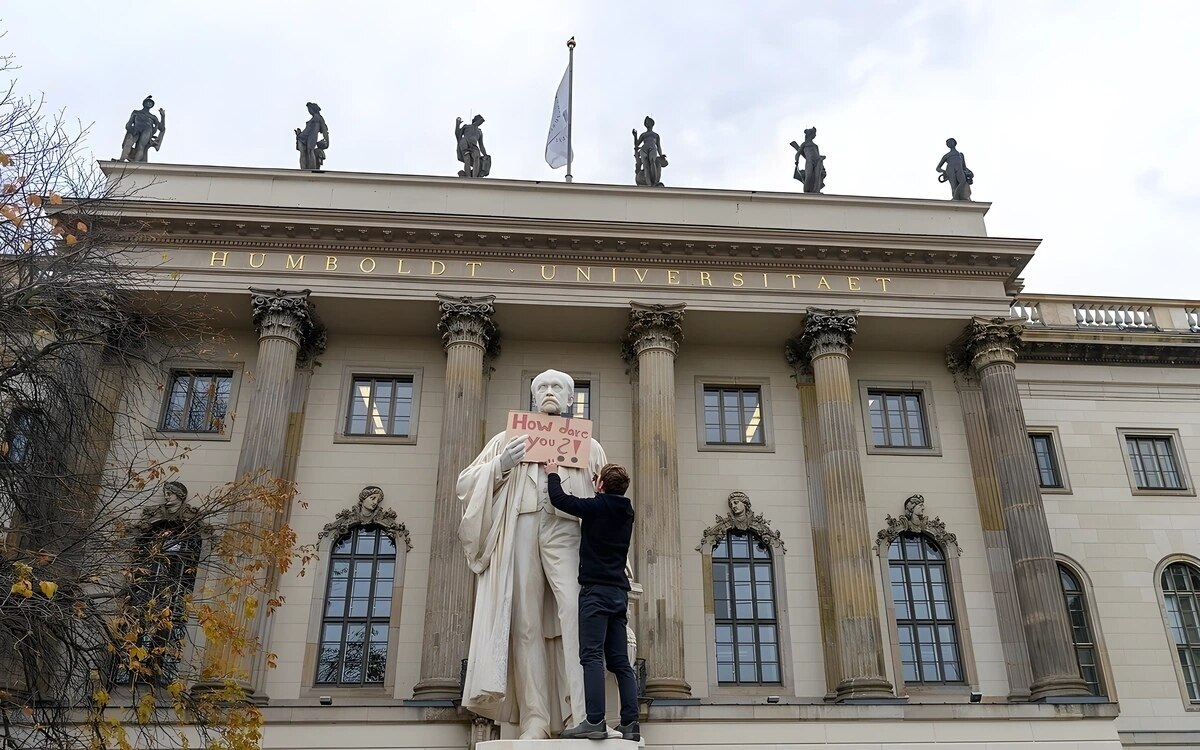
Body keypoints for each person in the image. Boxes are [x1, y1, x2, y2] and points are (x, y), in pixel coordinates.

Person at [458, 370, 607, 739]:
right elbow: (465, 483)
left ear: (572, 399)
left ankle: (582, 714)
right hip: (522, 524)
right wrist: (501, 464)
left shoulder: (590, 445)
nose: (550, 392)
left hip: (569, 529)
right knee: (524, 621)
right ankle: (534, 718)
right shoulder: (506, 441)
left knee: (576, 614)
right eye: (543, 387)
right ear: (533, 398)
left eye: (559, 387)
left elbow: (609, 497)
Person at [544, 459, 639, 742]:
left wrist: (552, 473)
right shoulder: (626, 512)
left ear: (600, 486)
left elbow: (559, 499)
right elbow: (607, 500)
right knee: (621, 662)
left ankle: (595, 720)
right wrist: (603, 488)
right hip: (619, 594)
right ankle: (631, 724)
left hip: (595, 593)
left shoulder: (596, 508)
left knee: (591, 656)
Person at [119, 96, 166, 162]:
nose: (149, 104)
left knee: (141, 147)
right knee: (128, 143)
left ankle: (136, 162)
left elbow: (161, 128)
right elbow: (129, 123)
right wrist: (129, 128)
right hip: (136, 129)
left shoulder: (153, 117)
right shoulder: (136, 112)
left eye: (151, 103)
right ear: (144, 103)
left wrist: (163, 116)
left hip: (147, 130)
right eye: (148, 102)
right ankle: (122, 159)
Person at [632, 116, 666, 187]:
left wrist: (661, 154)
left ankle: (654, 181)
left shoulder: (656, 135)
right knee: (646, 166)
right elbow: (637, 144)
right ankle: (649, 184)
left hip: (652, 148)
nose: (647, 124)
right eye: (646, 123)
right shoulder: (643, 135)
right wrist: (635, 136)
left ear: (652, 124)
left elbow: (658, 146)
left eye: (648, 123)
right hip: (644, 149)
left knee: (652, 161)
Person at [295, 102, 329, 170]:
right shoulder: (314, 119)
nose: (309, 111)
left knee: (310, 151)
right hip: (302, 137)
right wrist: (299, 134)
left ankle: (312, 169)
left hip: (311, 137)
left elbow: (325, 130)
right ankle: (304, 170)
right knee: (303, 154)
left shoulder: (319, 118)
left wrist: (327, 141)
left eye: (310, 109)